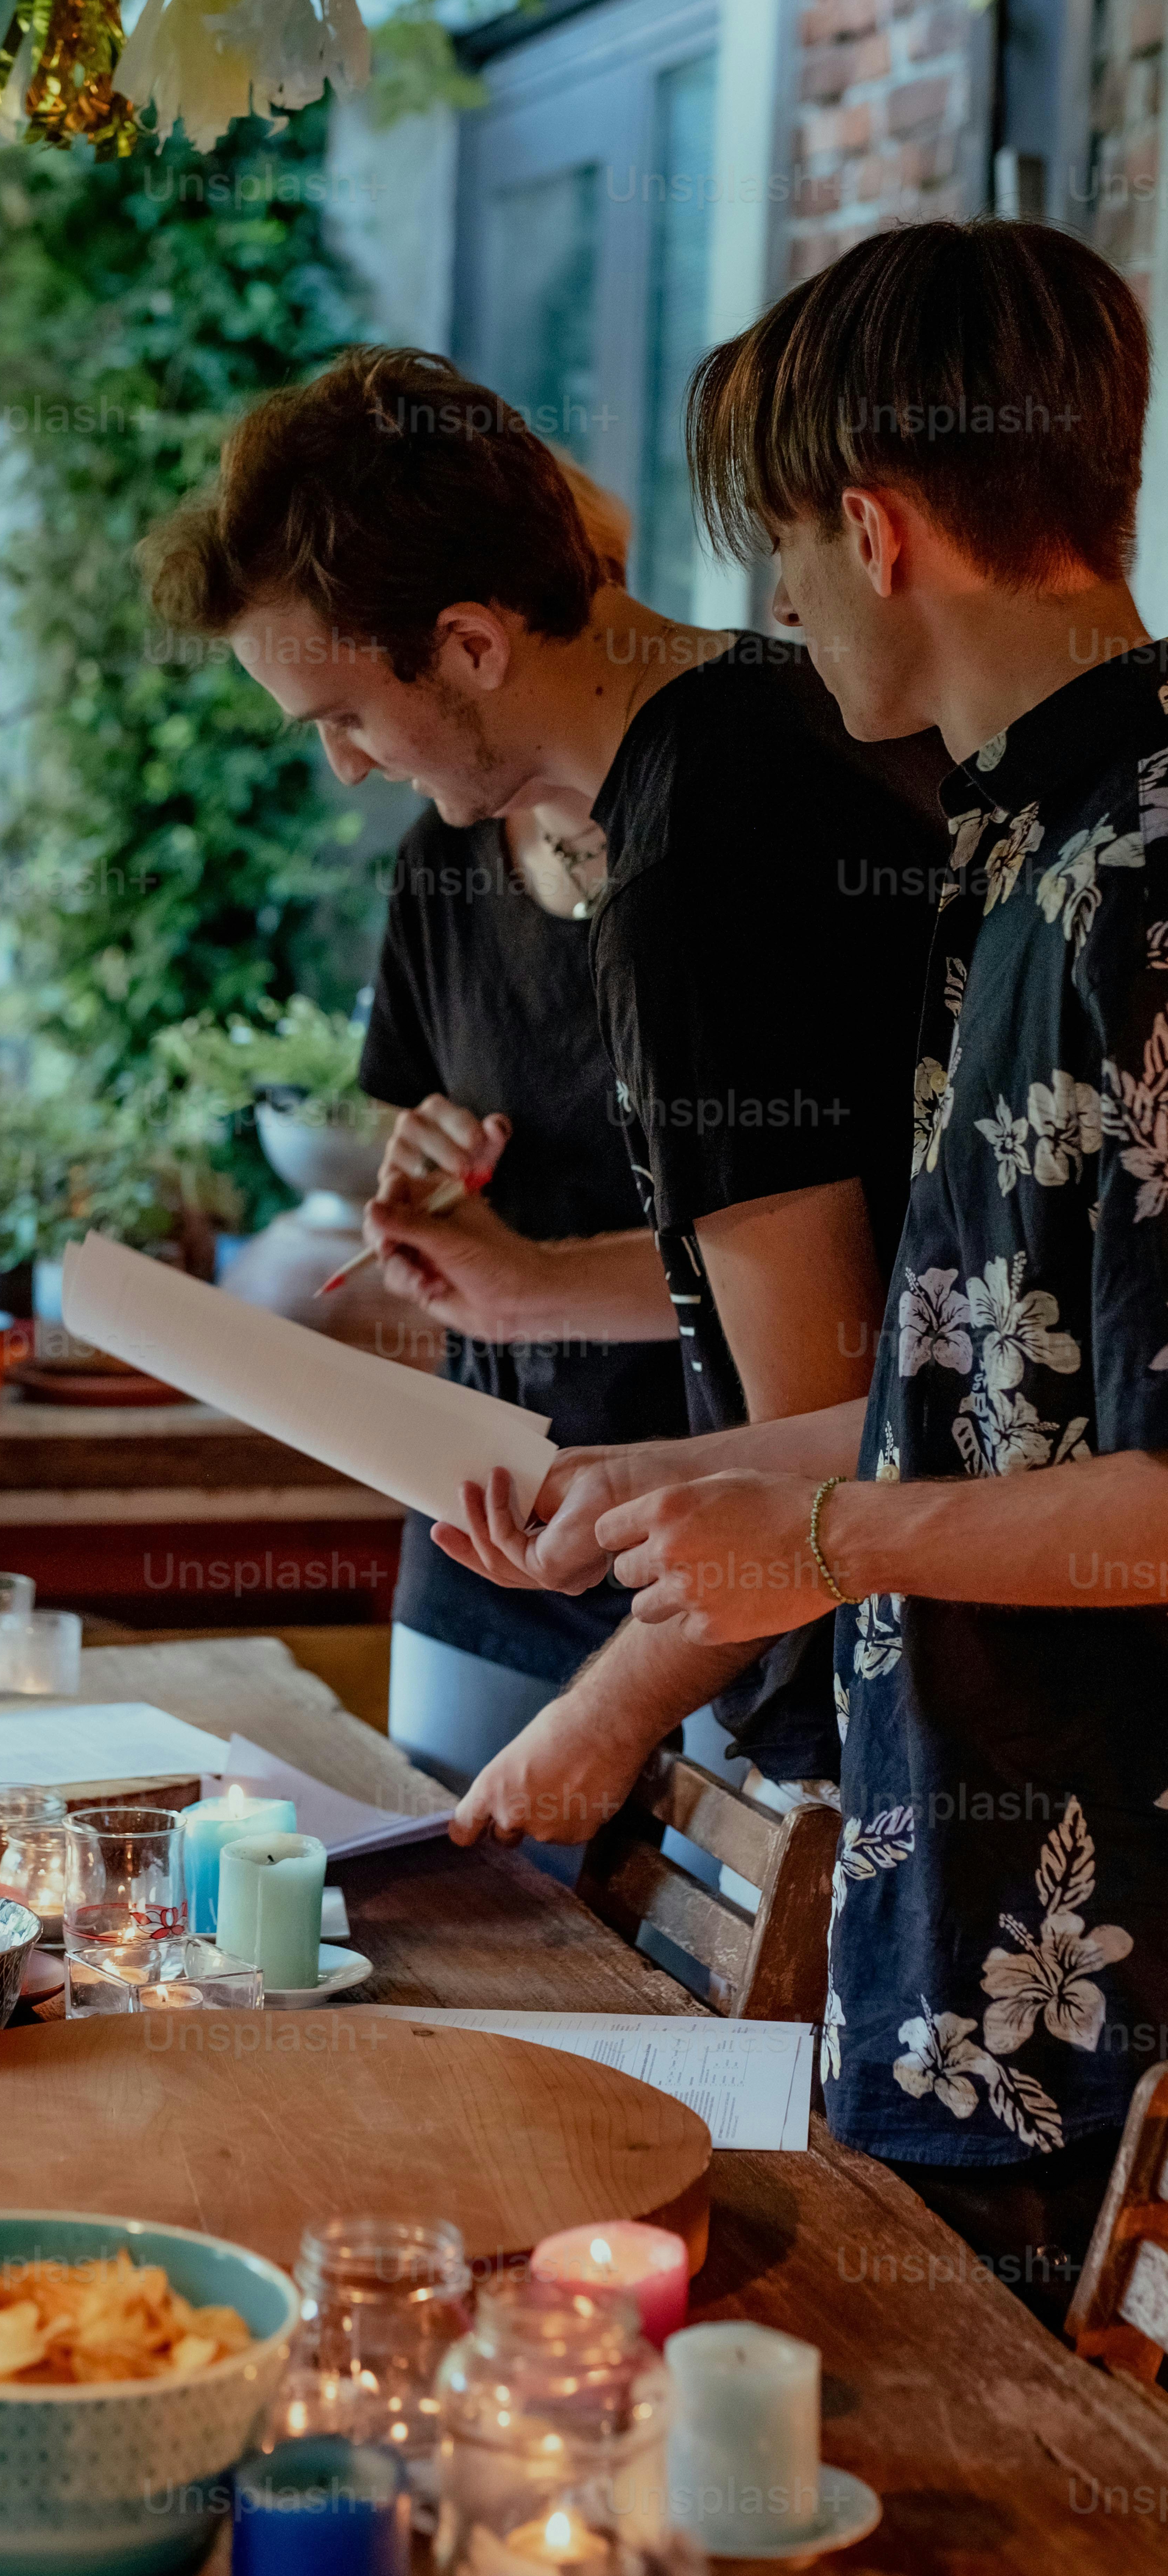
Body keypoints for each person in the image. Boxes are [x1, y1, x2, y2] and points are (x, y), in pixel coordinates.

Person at [452, 219, 1167, 2317]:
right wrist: (675, 1502)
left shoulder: (1140, 873)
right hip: (953, 1937)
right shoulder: (1019, 842)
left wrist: (827, 1532)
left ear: (873, 526)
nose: (767, 603)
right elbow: (1001, 1387)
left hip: (1098, 1993)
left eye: (778, 546)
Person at [138, 349, 945, 1800]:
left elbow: (818, 1434)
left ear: (468, 643)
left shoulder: (700, 850)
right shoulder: (748, 746)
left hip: (828, 1668)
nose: (339, 765)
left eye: (341, 716)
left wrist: (604, 1711)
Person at [356, 460, 688, 1824]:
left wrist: (527, 1277)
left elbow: (861, 1270)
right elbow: (405, 1175)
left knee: (683, 1968)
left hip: (696, 1522)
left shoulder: (707, 846)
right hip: (484, 1501)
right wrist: (420, 1176)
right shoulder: (440, 860)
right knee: (438, 1888)